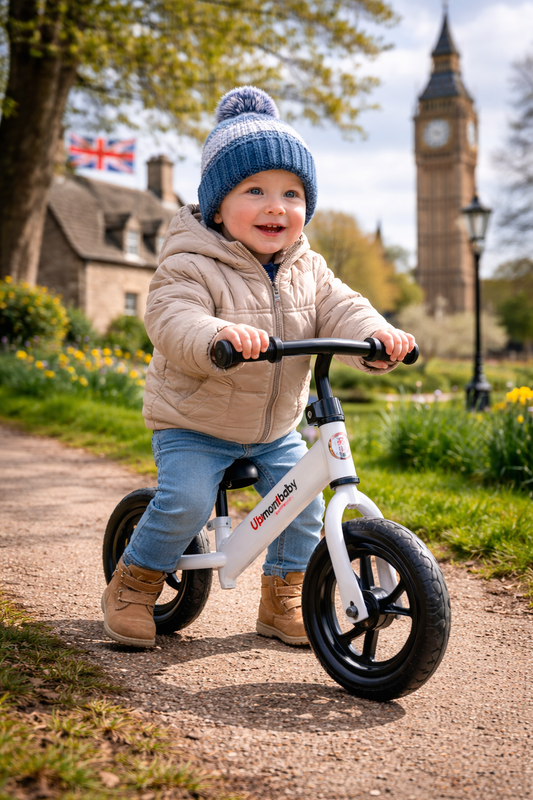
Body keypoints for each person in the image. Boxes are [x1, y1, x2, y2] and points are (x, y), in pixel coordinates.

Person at [102, 86, 415, 649]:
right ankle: (134, 582)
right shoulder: (191, 261)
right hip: (193, 423)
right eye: (256, 190)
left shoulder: (307, 267)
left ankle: (282, 597)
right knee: (186, 503)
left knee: (304, 507)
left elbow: (343, 306)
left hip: (274, 430)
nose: (277, 206)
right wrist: (218, 335)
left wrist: (376, 335)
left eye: (292, 194)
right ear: (218, 205)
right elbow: (173, 319)